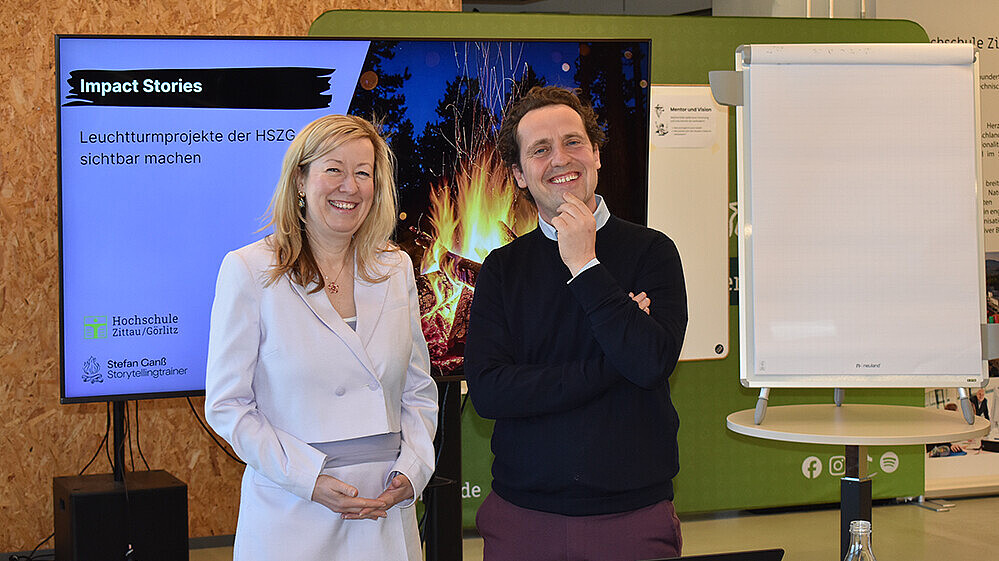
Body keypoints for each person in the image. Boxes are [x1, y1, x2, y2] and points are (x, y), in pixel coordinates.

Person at [464, 86, 688, 560]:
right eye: (540, 150)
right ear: (520, 175)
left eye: (573, 142)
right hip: (524, 520)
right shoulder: (502, 270)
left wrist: (585, 265)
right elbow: (489, 392)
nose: (560, 159)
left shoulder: (653, 251)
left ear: (596, 154)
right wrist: (612, 365)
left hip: (633, 517)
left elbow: (649, 363)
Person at [205, 114, 438, 561]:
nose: (349, 186)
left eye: (364, 173)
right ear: (300, 180)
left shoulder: (395, 267)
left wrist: (413, 470)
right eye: (334, 169)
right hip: (292, 511)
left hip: (383, 511)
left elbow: (418, 389)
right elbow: (227, 405)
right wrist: (309, 479)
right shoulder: (249, 270)